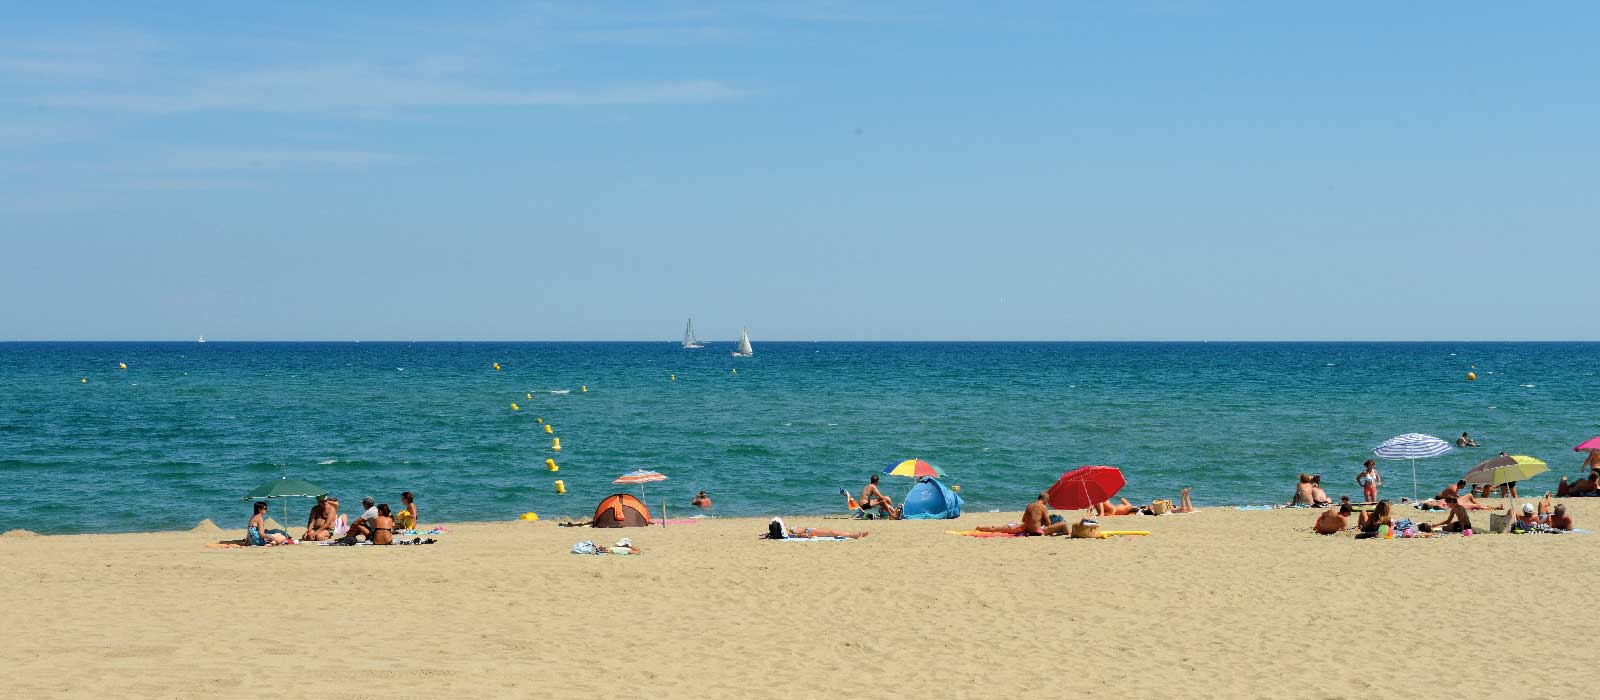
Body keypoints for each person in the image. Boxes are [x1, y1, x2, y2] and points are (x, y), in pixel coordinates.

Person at [977, 493, 1051, 535]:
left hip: (1024, 527)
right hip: (1029, 529)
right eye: (1047, 500)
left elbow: (1023, 519)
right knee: (999, 529)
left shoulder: (1029, 505)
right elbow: (1048, 523)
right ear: (1045, 500)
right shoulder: (1043, 507)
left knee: (998, 528)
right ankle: (981, 528)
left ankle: (981, 528)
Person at [766, 518, 868, 539]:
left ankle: (853, 534)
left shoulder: (785, 531)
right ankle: (854, 535)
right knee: (832, 532)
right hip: (809, 531)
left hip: (809, 530)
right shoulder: (788, 534)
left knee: (831, 531)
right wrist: (807, 536)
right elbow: (799, 535)